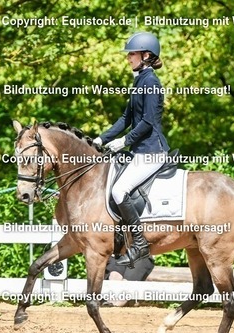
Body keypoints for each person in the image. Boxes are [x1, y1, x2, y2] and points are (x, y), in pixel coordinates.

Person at [93, 32, 170, 268]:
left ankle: (139, 244)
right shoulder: (139, 82)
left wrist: (124, 141)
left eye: (132, 54)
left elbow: (147, 122)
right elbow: (126, 118)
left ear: (146, 56)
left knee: (119, 191)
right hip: (139, 151)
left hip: (151, 151)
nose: (128, 58)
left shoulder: (151, 83)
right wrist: (101, 139)